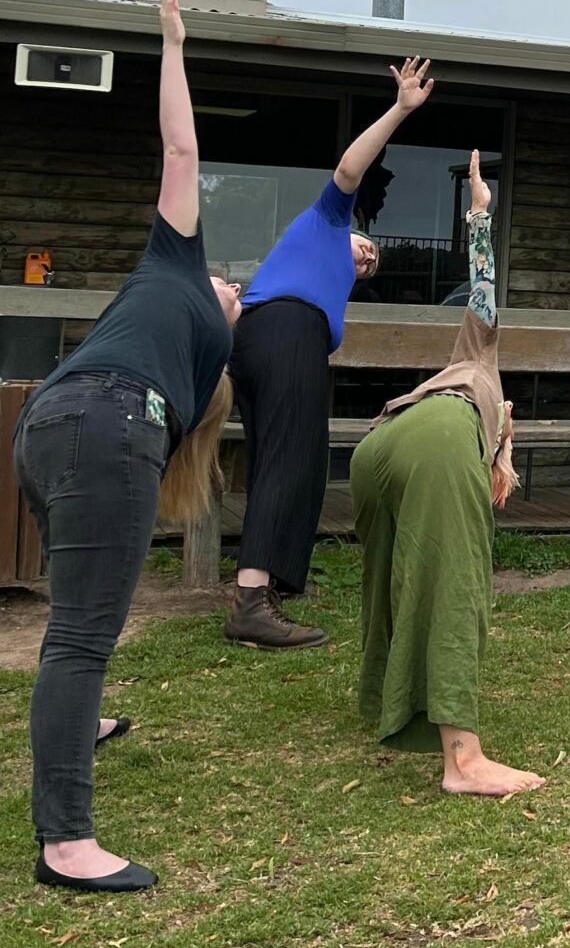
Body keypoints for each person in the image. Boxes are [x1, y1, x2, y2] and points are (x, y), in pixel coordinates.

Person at [14, 0, 241, 890]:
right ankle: (66, 843)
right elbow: (180, 148)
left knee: (76, 621)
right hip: (103, 421)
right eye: (236, 282)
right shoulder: (174, 258)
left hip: (54, 421)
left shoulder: (203, 361)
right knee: (80, 637)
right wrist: (174, 39)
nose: (236, 287)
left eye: (239, 298)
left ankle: (84, 717)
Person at [224, 59, 436, 649]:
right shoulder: (325, 220)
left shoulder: (329, 277)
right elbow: (349, 168)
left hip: (273, 339)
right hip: (285, 331)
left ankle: (274, 583)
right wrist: (401, 108)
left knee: (292, 456)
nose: (367, 260)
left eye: (371, 267)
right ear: (353, 230)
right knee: (292, 455)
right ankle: (249, 603)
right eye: (367, 250)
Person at [349, 150, 543, 794]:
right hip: (436, 437)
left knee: (395, 582)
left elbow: (501, 436)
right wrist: (480, 215)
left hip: (378, 447)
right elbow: (484, 287)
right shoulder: (479, 351)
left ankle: (386, 698)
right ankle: (462, 759)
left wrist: (504, 450)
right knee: (456, 579)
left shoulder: (481, 394)